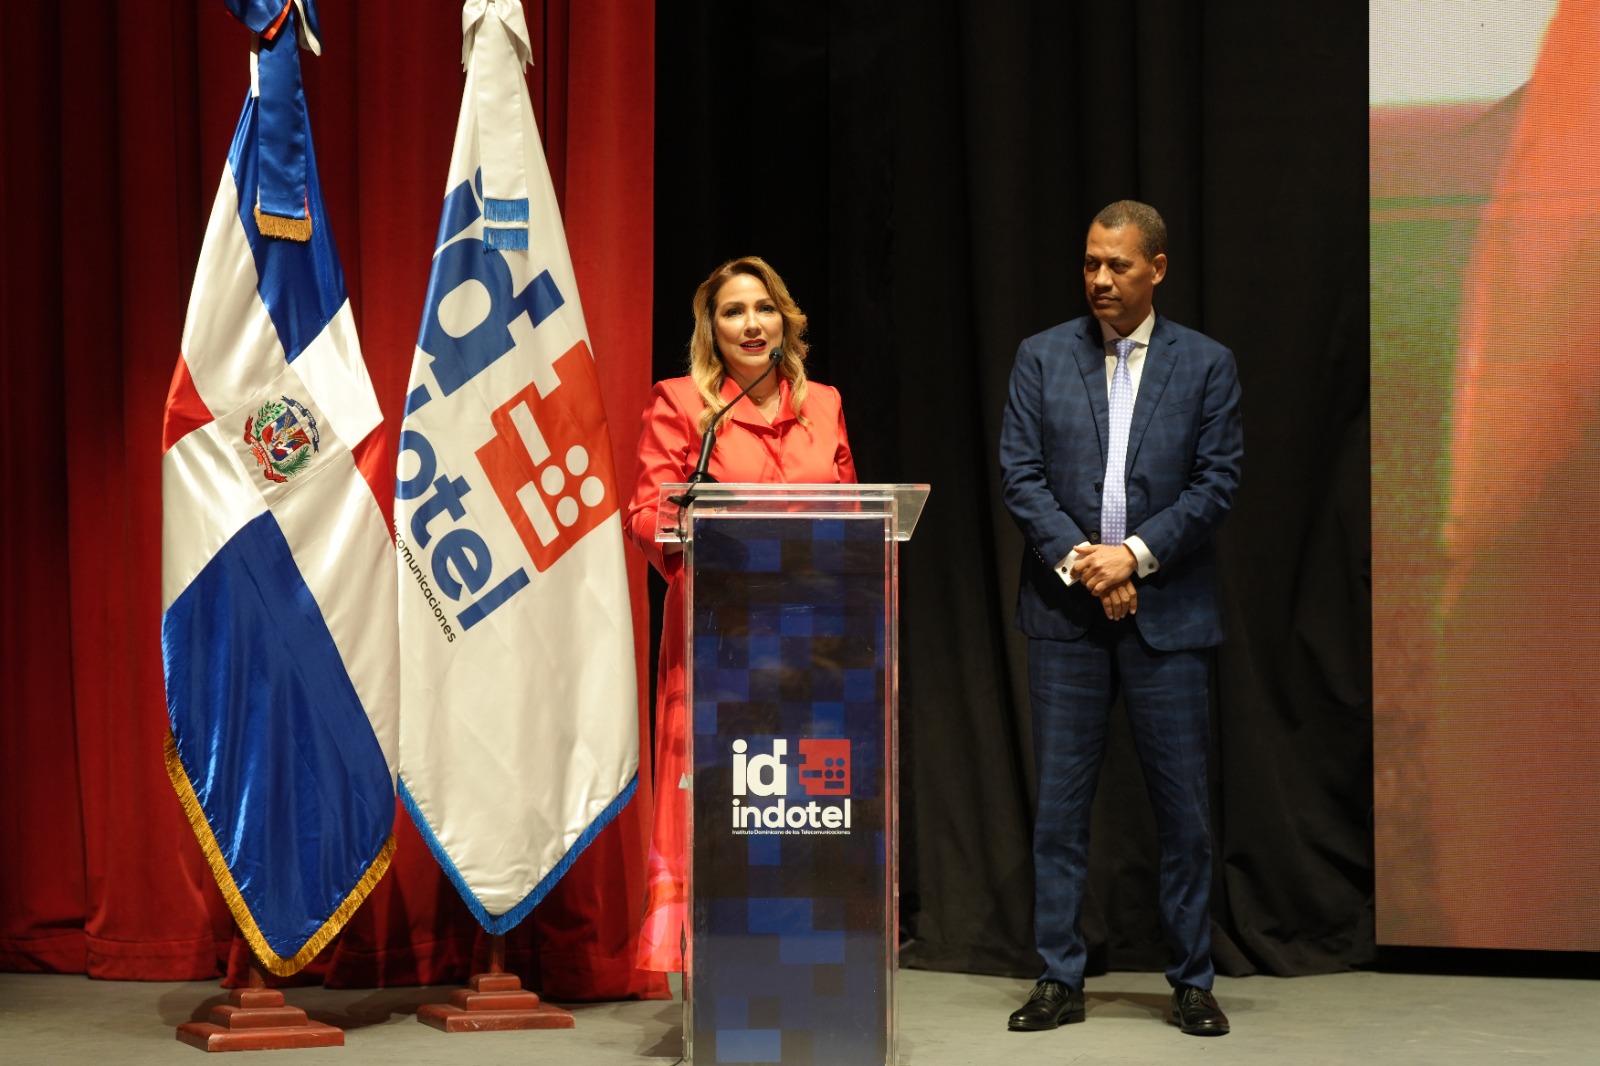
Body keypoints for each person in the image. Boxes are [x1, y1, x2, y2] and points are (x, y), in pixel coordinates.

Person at [997, 201, 1243, 1036]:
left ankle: (1192, 980)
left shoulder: (1206, 364)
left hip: (1168, 614)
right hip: (1065, 614)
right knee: (1060, 813)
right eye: (1091, 264)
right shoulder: (1041, 356)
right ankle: (1057, 977)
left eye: (1118, 266)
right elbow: (1021, 475)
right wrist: (1086, 563)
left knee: (1184, 815)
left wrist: (1132, 556)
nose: (1100, 279)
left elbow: (1216, 481)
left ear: (1157, 268)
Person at [624, 255, 857, 971]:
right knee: (728, 798)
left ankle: (804, 958)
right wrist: (696, 527)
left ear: (786, 320)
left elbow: (856, 511)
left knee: (801, 800)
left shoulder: (825, 404)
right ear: (712, 328)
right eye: (733, 311)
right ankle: (720, 964)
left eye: (764, 308)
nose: (752, 324)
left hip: (813, 647)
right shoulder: (683, 403)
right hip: (720, 642)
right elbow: (646, 512)